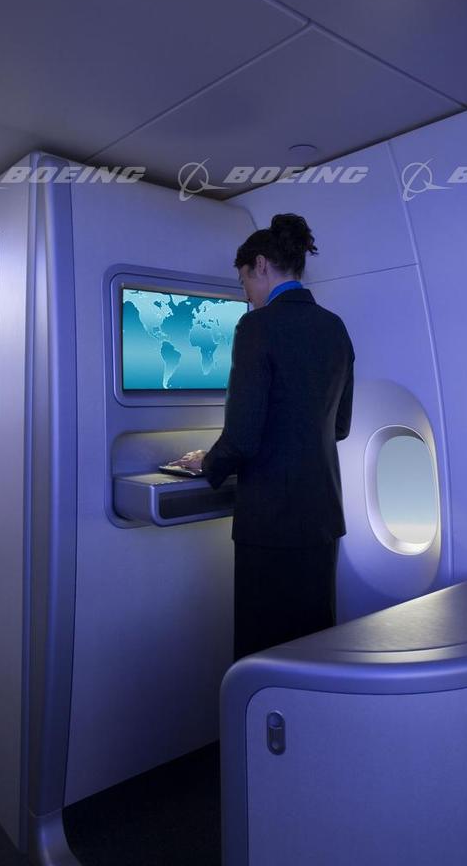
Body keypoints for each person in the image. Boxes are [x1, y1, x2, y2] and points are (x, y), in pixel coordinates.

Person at [168, 213, 355, 660]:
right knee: (312, 649)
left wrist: (207, 462)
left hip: (271, 523)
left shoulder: (256, 328)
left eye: (244, 283)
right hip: (322, 519)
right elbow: (340, 426)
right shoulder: (335, 327)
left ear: (260, 265)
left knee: (263, 655)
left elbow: (242, 437)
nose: (246, 296)